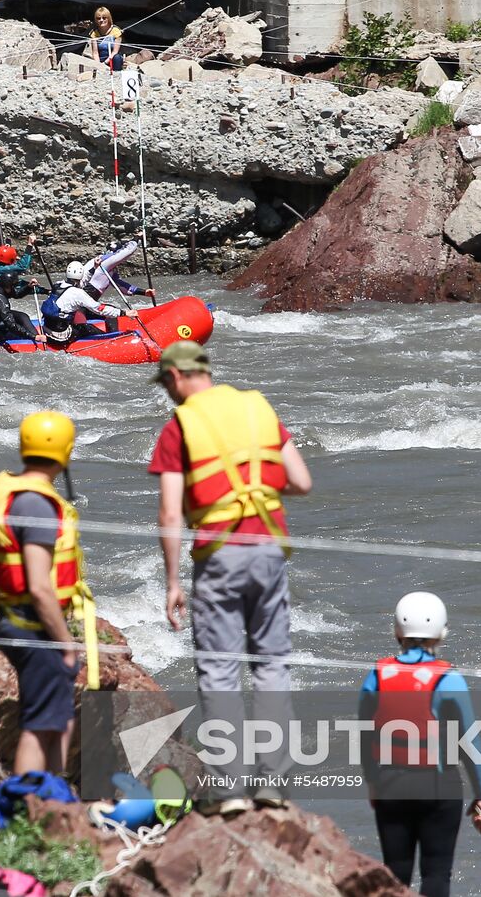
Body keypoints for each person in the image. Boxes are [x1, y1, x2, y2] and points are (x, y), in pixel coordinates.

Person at [151, 341, 311, 814]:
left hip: (219, 553)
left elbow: (169, 511)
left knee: (219, 669)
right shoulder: (259, 409)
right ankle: (273, 784)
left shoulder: (180, 426)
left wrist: (173, 582)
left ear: (177, 378)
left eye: (164, 383)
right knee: (272, 665)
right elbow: (301, 481)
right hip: (268, 550)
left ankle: (232, 791)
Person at [0, 412, 96, 775]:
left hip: (15, 621)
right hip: (33, 625)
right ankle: (33, 804)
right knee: (41, 725)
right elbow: (40, 586)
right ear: (66, 452)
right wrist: (65, 643)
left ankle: (54, 798)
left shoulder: (7, 492)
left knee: (56, 719)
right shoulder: (36, 504)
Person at [360, 591, 481, 897]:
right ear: (442, 633)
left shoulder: (377, 675)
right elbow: (469, 740)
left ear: (397, 632)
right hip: (439, 787)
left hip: (391, 785)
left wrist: (373, 782)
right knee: (436, 875)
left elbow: (365, 735)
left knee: (395, 876)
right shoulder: (449, 679)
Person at [40, 261, 124, 345]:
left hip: (46, 328)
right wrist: (123, 313)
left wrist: (94, 268)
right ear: (80, 275)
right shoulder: (78, 293)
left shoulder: (58, 284)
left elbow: (80, 283)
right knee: (88, 328)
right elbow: (98, 309)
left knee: (79, 323)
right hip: (61, 336)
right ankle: (111, 342)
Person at [83, 239, 154, 303]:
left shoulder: (107, 270)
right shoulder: (104, 261)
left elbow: (123, 287)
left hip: (89, 297)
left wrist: (144, 292)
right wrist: (136, 239)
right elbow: (128, 251)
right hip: (85, 294)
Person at [90, 7, 125, 72]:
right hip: (100, 59)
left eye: (104, 18)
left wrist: (105, 63)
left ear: (108, 18)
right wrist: (99, 65)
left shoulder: (116, 31)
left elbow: (115, 51)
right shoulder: (94, 33)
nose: (101, 20)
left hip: (113, 58)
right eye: (98, 18)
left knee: (117, 57)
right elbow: (95, 53)